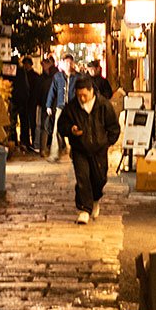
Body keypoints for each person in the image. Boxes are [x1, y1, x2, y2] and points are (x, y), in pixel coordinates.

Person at [58, 74, 120, 223]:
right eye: (79, 95)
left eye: (84, 95)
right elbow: (62, 125)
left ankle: (95, 199)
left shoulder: (103, 105)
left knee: (99, 178)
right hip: (80, 149)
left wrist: (107, 143)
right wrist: (71, 130)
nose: (82, 98)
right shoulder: (72, 107)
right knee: (83, 178)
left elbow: (113, 127)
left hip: (99, 150)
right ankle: (84, 209)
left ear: (91, 91)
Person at [42, 54, 74, 159]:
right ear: (62, 64)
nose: (68, 65)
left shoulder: (77, 77)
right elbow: (52, 91)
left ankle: (74, 152)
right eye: (66, 63)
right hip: (60, 106)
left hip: (73, 107)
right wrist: (48, 105)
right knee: (56, 130)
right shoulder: (58, 77)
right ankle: (54, 153)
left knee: (74, 131)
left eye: (70, 62)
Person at [13, 55, 44, 152]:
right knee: (24, 122)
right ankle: (24, 141)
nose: (26, 66)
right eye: (24, 64)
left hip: (31, 102)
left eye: (27, 64)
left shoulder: (34, 76)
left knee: (31, 123)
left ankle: (31, 142)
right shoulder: (20, 74)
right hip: (22, 102)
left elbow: (36, 90)